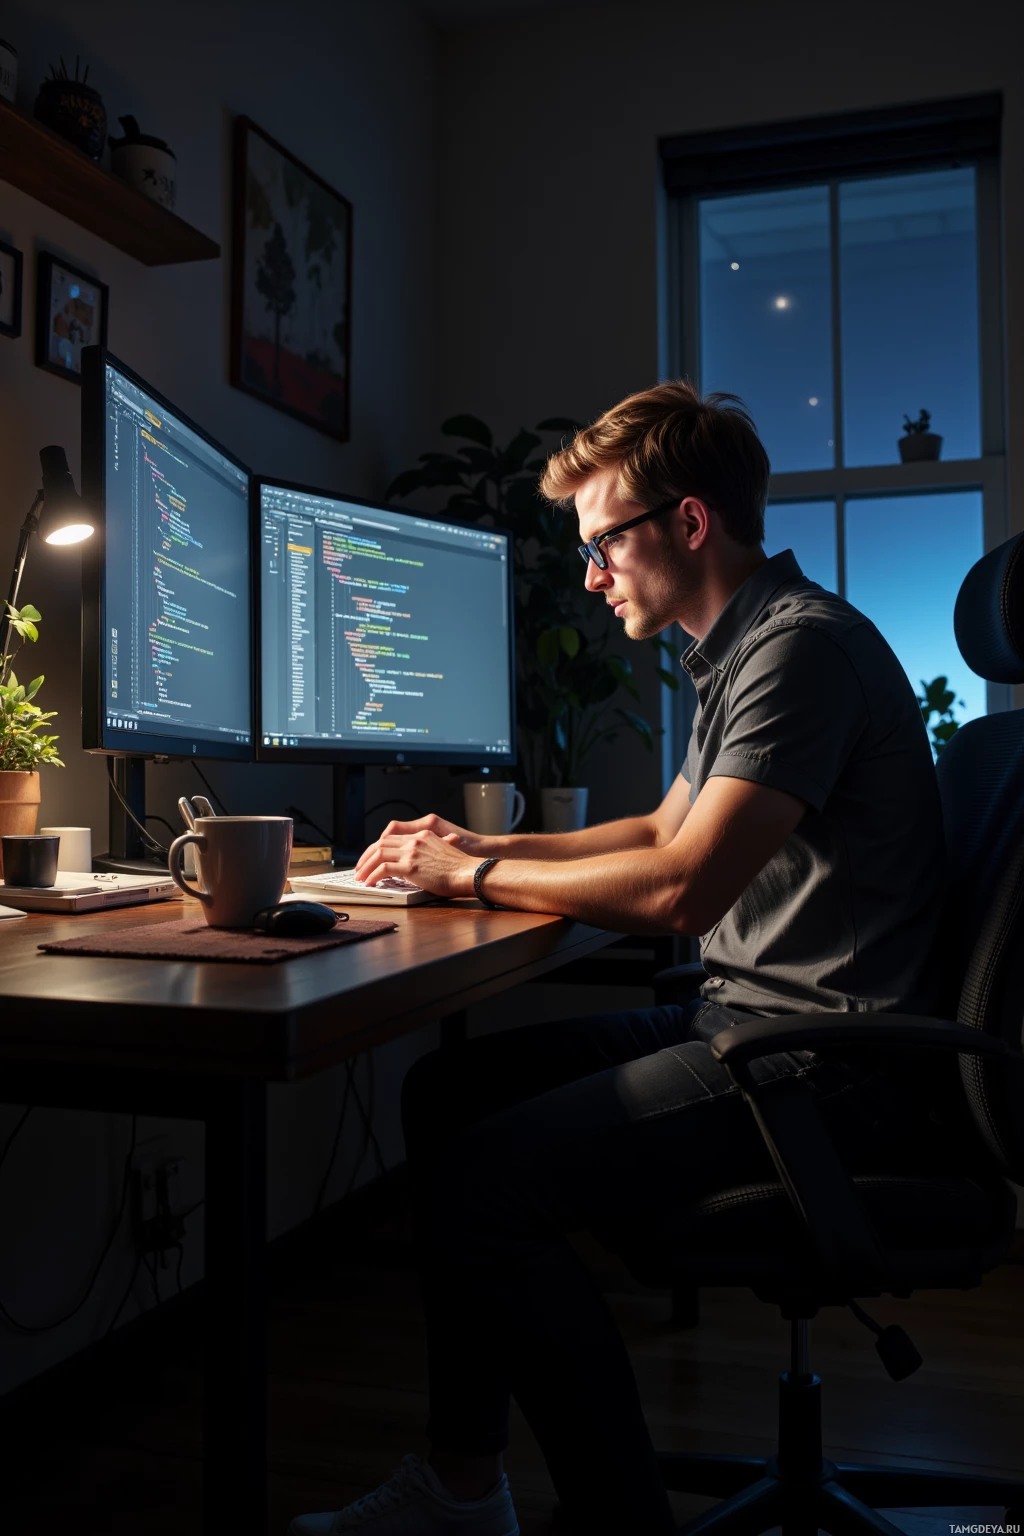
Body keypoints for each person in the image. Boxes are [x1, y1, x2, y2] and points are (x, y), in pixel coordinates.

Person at [289, 381, 949, 1536]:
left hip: (828, 1070)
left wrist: (472, 879)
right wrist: (477, 842)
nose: (591, 575)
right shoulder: (745, 643)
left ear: (687, 525)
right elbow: (655, 831)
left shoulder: (800, 653)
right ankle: (462, 1482)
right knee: (449, 1093)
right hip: (756, 1031)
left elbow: (679, 889)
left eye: (604, 544)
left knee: (486, 1184)